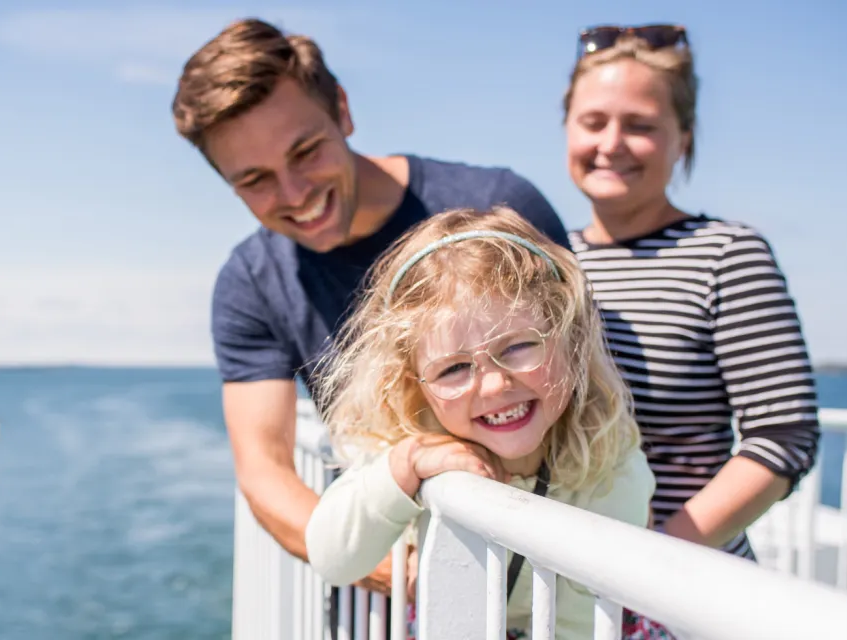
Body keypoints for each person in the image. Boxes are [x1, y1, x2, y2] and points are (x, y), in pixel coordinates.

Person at [171, 17, 570, 594]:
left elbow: (592, 383)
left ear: (343, 109)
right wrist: (411, 582)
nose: (295, 194)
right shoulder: (251, 283)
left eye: (306, 151)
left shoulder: (499, 206)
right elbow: (265, 472)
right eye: (255, 180)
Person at [304, 207, 666, 639]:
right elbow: (331, 557)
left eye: (517, 348)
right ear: (415, 384)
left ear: (569, 340)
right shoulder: (415, 446)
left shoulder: (608, 455)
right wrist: (404, 468)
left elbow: (580, 622)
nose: (494, 386)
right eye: (453, 369)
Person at [561, 24, 821, 562]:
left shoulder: (726, 253)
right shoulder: (548, 260)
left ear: (685, 137)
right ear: (567, 127)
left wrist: (654, 559)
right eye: (593, 122)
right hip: (569, 592)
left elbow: (784, 435)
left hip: (677, 587)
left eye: (641, 125)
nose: (611, 144)